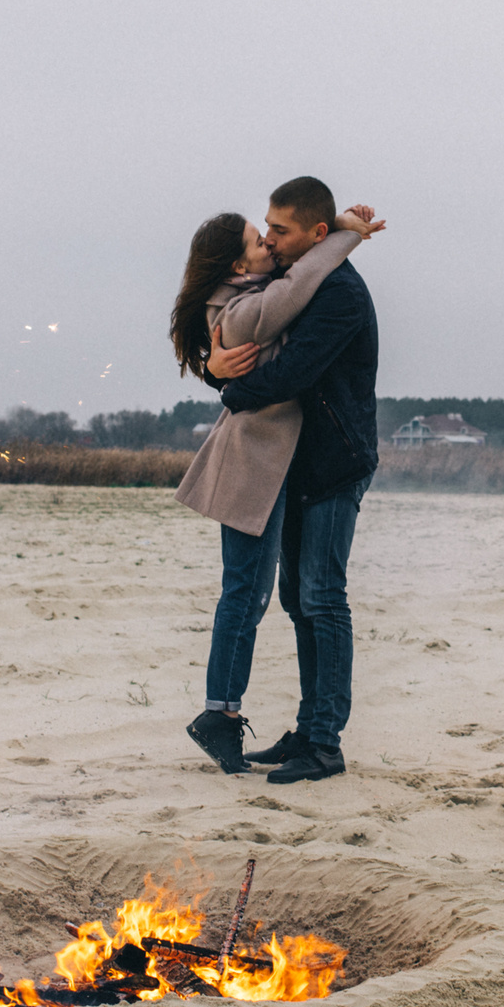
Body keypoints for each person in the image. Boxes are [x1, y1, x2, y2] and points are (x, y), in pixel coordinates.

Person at [169, 193, 385, 776]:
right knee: (289, 598)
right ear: (238, 266)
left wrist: (228, 386)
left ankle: (321, 743)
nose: (268, 240)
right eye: (261, 234)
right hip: (289, 467)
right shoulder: (264, 293)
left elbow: (287, 374)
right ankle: (299, 728)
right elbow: (272, 319)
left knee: (317, 597)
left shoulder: (334, 292)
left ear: (310, 233)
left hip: (336, 462)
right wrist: (345, 232)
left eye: (277, 231)